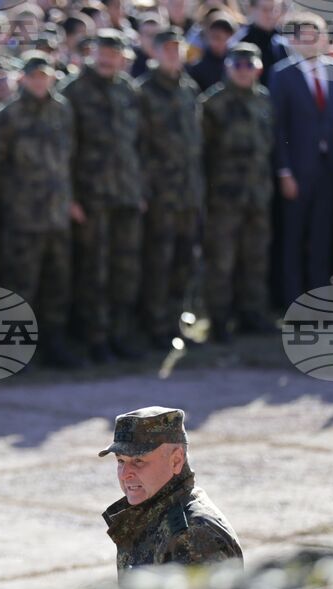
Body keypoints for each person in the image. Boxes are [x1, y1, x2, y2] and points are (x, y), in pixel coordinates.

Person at [0, 52, 83, 370]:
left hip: (56, 215)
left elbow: (70, 160)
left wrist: (70, 200)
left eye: (44, 75)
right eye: (33, 76)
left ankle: (54, 344)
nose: (39, 81)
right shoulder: (4, 116)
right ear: (22, 78)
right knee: (20, 286)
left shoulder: (62, 111)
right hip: (23, 217)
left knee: (57, 284)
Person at [60, 29, 144, 363]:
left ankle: (119, 334)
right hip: (91, 196)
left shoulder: (128, 90)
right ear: (93, 54)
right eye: (103, 52)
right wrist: (71, 197)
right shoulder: (74, 91)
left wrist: (140, 189)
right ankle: (95, 338)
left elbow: (137, 145)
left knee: (124, 269)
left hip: (125, 194)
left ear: (123, 57)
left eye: (114, 53)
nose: (108, 59)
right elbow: (63, 151)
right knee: (94, 270)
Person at [100, 406, 242, 583]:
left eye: (138, 460)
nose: (124, 474)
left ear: (176, 460)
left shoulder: (193, 534)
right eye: (121, 460)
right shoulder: (149, 513)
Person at [269, 12, 333, 305]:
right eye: (304, 35)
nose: (311, 41)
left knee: (322, 240)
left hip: (328, 173)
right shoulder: (281, 74)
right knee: (292, 240)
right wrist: (284, 171)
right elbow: (277, 129)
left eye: (316, 35)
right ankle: (292, 302)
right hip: (296, 173)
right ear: (293, 40)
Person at [201, 43, 276, 343]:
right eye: (238, 66)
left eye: (249, 65)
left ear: (257, 68)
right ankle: (219, 321)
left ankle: (252, 314)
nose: (244, 71)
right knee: (222, 260)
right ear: (229, 67)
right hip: (224, 198)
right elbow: (203, 152)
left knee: (255, 258)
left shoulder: (264, 100)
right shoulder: (212, 103)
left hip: (257, 194)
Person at [139, 27, 203, 350]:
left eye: (178, 49)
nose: (173, 55)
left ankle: (178, 321)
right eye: (167, 49)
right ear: (155, 52)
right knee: (158, 263)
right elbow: (137, 147)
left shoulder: (188, 89)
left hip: (188, 194)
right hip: (161, 194)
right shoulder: (144, 92)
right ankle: (155, 326)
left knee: (183, 263)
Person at [230, 0, 289, 86]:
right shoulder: (240, 42)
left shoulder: (286, 41)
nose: (270, 15)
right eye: (265, 10)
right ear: (251, 9)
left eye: (274, 9)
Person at [187, 11, 236, 94]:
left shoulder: (236, 65)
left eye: (223, 37)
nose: (218, 42)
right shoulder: (197, 68)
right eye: (215, 37)